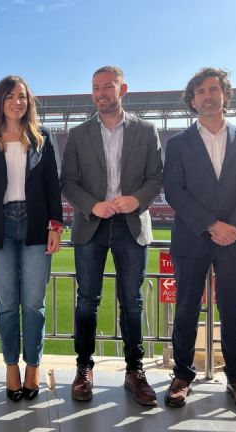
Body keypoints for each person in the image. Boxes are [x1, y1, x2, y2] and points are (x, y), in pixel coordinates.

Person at [163, 68, 236, 414]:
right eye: (199, 92)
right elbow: (174, 191)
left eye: (213, 89)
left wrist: (232, 228)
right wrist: (211, 226)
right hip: (193, 238)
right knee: (186, 311)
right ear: (192, 102)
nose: (207, 96)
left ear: (224, 94)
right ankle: (181, 375)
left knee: (233, 313)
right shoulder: (177, 144)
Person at [60, 65, 163, 406]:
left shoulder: (146, 131)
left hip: (131, 224)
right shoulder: (77, 135)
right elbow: (68, 183)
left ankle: (135, 371)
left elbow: (156, 177)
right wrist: (93, 205)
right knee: (87, 300)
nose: (101, 93)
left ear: (123, 89)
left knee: (131, 302)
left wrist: (136, 200)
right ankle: (84, 368)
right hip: (92, 224)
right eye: (95, 87)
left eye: (108, 86)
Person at [0, 76, 62, 402]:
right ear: (0, 102)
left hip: (36, 226)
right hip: (0, 228)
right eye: (10, 96)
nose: (17, 102)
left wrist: (56, 226)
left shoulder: (43, 139)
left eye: (22, 96)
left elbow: (53, 186)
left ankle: (33, 365)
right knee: (7, 305)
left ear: (29, 101)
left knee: (34, 304)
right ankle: (11, 366)